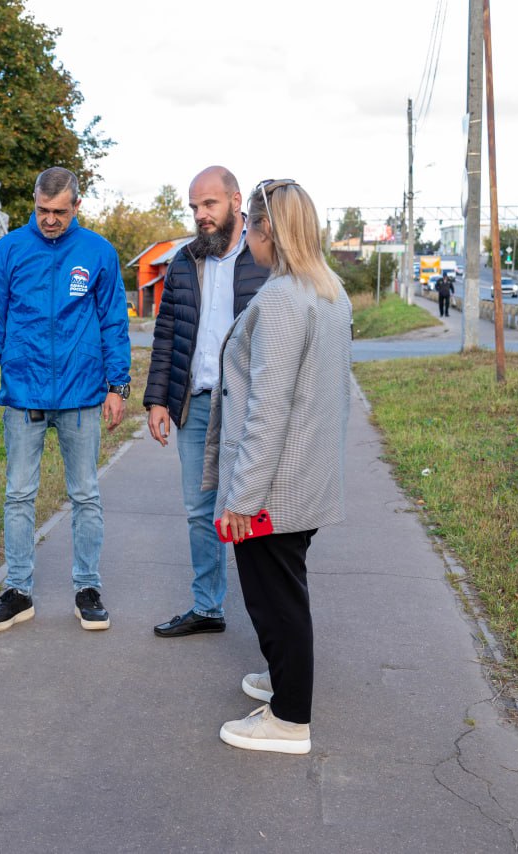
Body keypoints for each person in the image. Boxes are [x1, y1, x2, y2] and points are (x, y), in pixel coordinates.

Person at [202, 179, 352, 754]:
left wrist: (243, 499)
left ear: (268, 231)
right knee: (285, 589)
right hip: (306, 476)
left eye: (252, 229)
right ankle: (287, 677)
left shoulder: (285, 299)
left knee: (274, 598)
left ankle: (289, 719)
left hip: (273, 487)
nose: (249, 240)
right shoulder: (327, 288)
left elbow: (268, 409)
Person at [0, 166, 132, 633]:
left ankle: (87, 588)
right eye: (42, 210)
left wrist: (117, 386)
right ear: (34, 203)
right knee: (18, 494)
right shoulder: (9, 250)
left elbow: (112, 324)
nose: (50, 220)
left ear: (77, 206)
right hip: (24, 394)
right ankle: (18, 591)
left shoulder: (98, 252)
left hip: (82, 395)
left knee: (85, 494)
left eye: (59, 212)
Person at [143, 166, 269, 638]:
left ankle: (268, 613)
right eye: (194, 206)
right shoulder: (183, 262)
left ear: (236, 201)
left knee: (255, 509)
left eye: (209, 204)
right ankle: (207, 606)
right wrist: (158, 400)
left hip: (248, 405)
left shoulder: (264, 259)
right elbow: (167, 335)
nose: (201, 215)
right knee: (200, 510)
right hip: (195, 404)